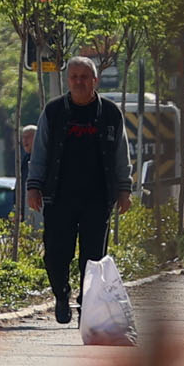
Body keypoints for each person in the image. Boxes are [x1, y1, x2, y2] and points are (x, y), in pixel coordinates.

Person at [26, 56, 133, 325]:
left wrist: (124, 188)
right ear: (68, 80)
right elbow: (40, 152)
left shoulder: (110, 113)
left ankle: (88, 304)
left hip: (97, 198)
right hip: (59, 197)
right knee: (55, 254)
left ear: (95, 80)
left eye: (84, 77)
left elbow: (121, 154)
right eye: (74, 77)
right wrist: (34, 186)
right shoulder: (53, 111)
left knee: (93, 258)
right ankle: (62, 296)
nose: (79, 82)